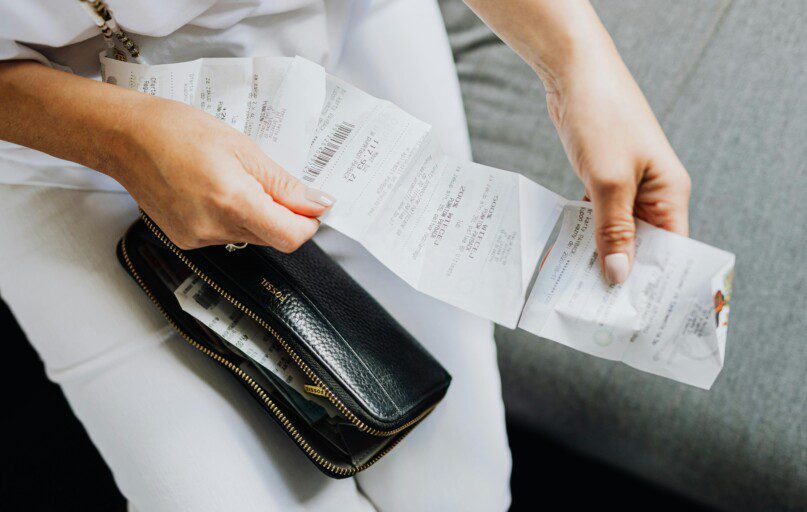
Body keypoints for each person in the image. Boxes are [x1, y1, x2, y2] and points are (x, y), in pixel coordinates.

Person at [0, 0, 692, 510]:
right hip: (45, 114)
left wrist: (576, 63)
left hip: (324, 32)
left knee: (457, 493)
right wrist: (118, 138)